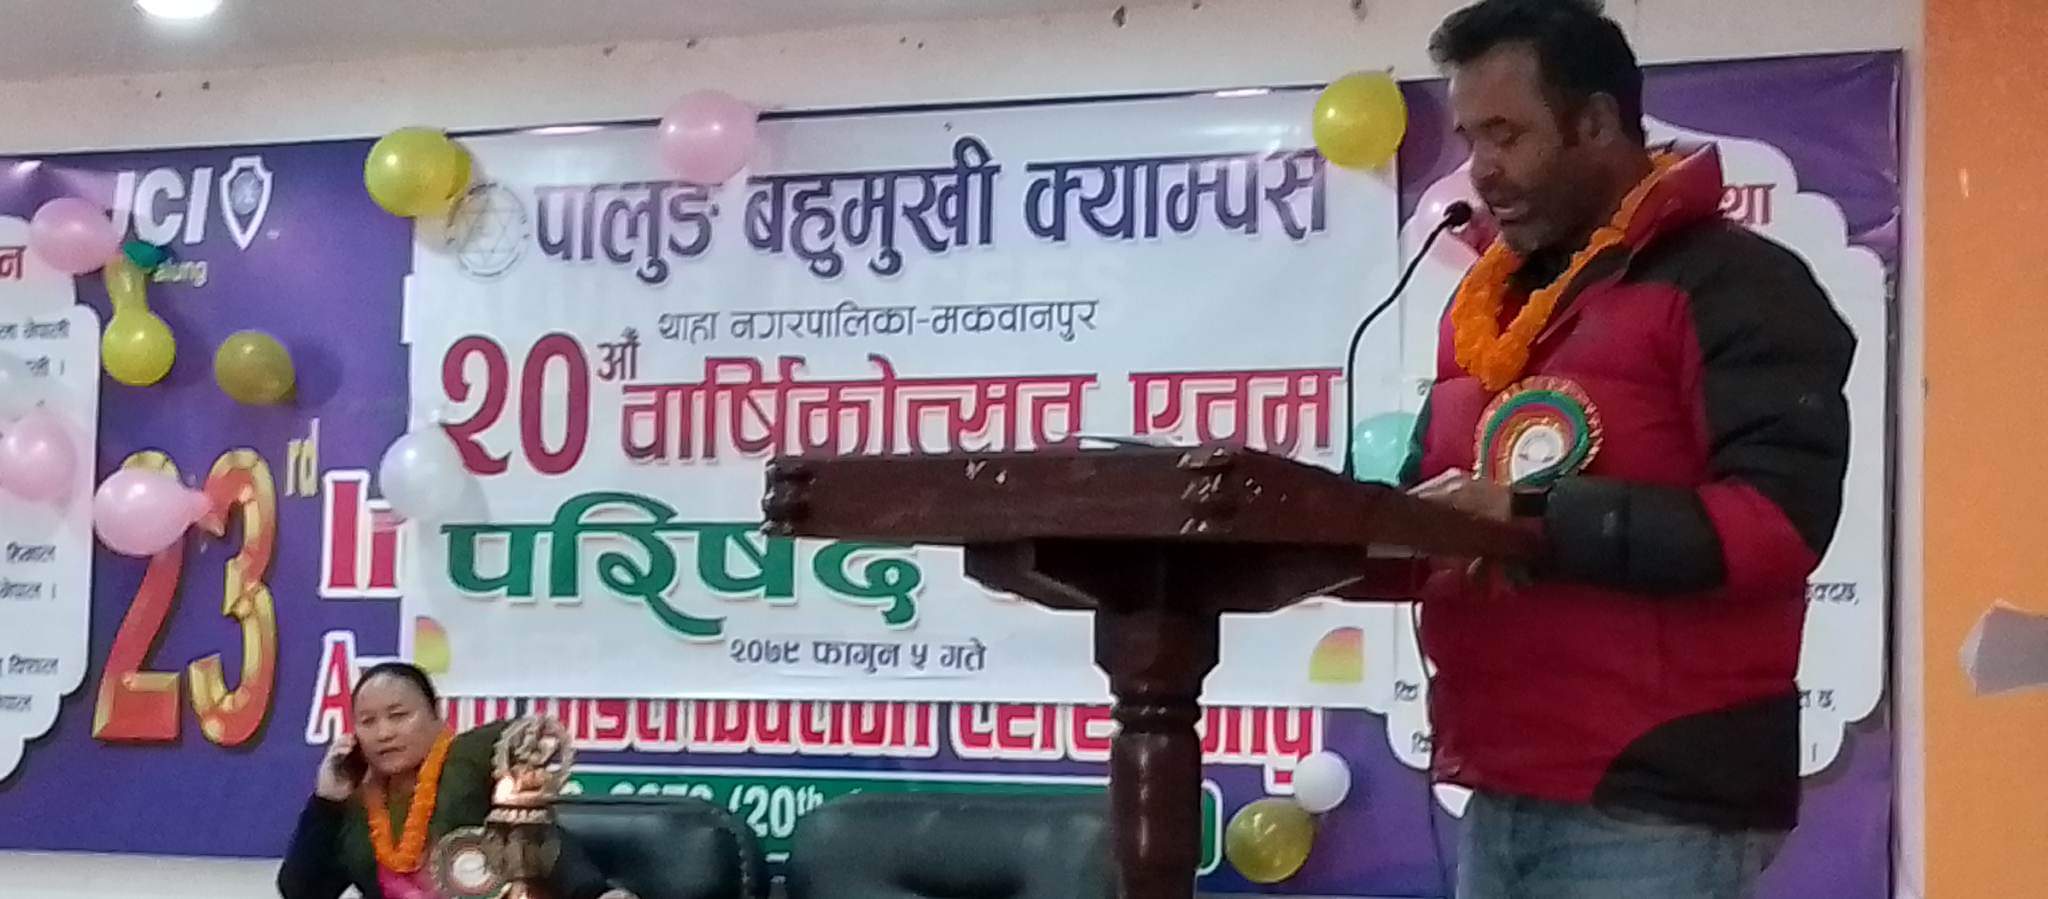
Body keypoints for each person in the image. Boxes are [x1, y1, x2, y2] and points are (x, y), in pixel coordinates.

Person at [1402, 1, 1855, 897]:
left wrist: (1531, 518)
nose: (1480, 170)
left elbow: (1777, 524)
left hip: (1657, 800)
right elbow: (1425, 506)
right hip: (1498, 783)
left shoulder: (1737, 282)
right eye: (1469, 139)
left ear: (1597, 123)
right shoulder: (1482, 312)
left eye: (1506, 135)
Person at [277, 662, 637, 899]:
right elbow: (301, 892)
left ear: (436, 714)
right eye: (368, 722)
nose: (384, 733)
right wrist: (326, 801)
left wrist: (596, 893)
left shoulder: (473, 765)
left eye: (399, 715)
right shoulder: (356, 806)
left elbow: (537, 838)